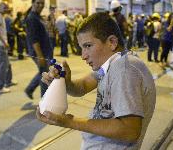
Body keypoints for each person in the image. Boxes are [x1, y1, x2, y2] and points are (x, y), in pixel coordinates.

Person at [38, 12, 156, 149]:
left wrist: (68, 121)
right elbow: (82, 86)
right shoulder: (112, 64)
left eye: (88, 46)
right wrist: (65, 83)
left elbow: (130, 130)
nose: (83, 56)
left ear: (112, 42)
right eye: (82, 47)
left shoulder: (124, 68)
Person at [24, 0, 53, 99]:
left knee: (43, 73)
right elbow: (34, 39)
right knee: (45, 77)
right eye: (38, 3)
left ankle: (29, 89)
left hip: (45, 50)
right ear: (32, 3)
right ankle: (44, 104)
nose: (40, 5)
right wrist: (40, 56)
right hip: (40, 52)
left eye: (42, 3)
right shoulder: (31, 18)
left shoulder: (38, 16)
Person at [0, 1, 17, 93]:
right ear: (0, 7)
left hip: (0, 43)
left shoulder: (1, 16)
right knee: (2, 65)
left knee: (7, 64)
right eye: (4, 7)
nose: (6, 9)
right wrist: (4, 42)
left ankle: (8, 81)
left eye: (7, 7)